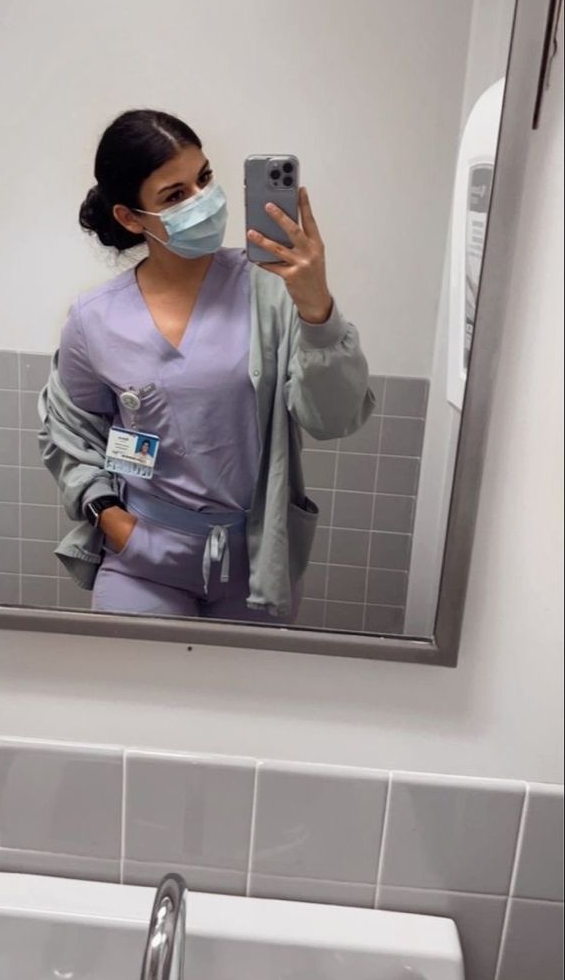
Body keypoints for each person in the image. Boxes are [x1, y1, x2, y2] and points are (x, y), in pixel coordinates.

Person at [39, 109, 375, 621]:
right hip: (141, 558)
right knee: (135, 699)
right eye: (175, 196)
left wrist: (316, 308)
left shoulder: (272, 290)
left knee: (243, 701)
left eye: (205, 179)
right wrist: (108, 516)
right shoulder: (95, 320)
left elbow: (333, 420)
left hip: (256, 562)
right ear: (131, 218)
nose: (203, 202)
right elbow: (67, 433)